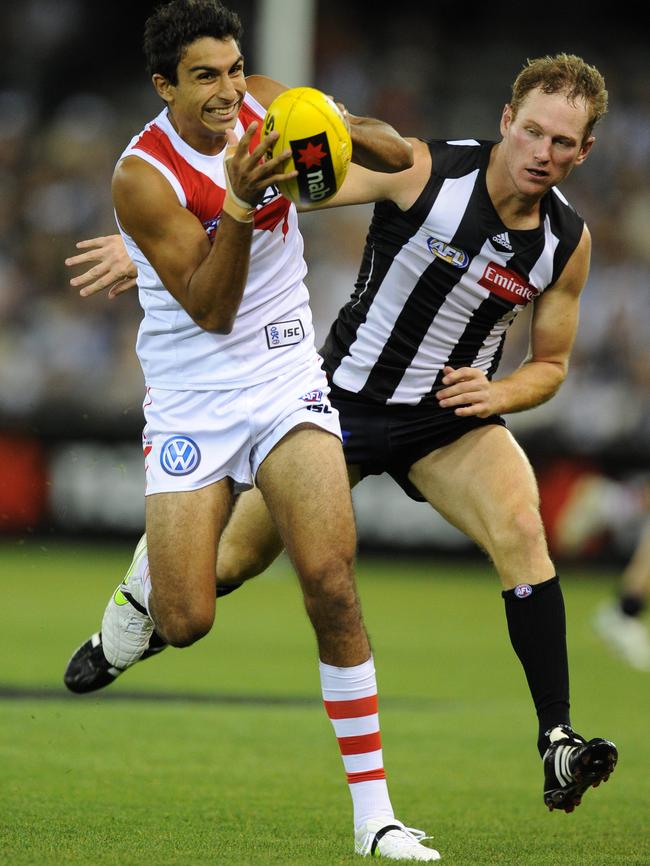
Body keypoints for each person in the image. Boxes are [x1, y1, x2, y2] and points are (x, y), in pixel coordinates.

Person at [66, 51, 618, 818]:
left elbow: (552, 363)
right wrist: (153, 246)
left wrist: (501, 391)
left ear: (584, 150)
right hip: (341, 403)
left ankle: (557, 736)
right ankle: (137, 603)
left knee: (524, 528)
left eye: (563, 144)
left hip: (446, 421)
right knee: (220, 569)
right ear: (505, 122)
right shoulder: (423, 171)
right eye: (533, 132)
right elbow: (287, 193)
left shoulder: (566, 242)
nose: (543, 154)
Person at [63, 1, 441, 861]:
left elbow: (393, 154)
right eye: (206, 77)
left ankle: (375, 819)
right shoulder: (142, 176)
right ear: (165, 86)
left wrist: (344, 133)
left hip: (284, 377)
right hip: (194, 394)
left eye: (236, 70)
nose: (232, 91)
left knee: (333, 581)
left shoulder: (268, 107)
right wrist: (241, 197)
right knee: (189, 616)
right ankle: (140, 596)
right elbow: (208, 306)